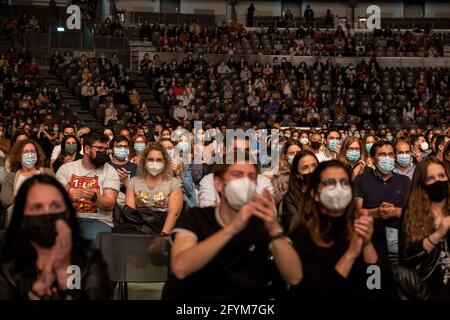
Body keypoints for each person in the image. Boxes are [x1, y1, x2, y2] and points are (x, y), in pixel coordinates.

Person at [162, 155, 302, 299]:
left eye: (251, 177)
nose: (245, 182)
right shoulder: (196, 218)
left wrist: (274, 228)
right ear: (218, 184)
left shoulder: (262, 223)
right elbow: (180, 268)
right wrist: (232, 228)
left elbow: (294, 276)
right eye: (237, 175)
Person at [288, 160, 389, 299]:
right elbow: (317, 293)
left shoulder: (369, 226)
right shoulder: (303, 234)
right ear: (315, 194)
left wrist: (367, 246)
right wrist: (351, 254)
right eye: (330, 183)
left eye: (344, 183)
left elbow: (377, 286)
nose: (338, 189)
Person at [0, 174, 111, 300]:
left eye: (55, 206)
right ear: (22, 216)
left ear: (67, 212)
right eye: (37, 207)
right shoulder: (7, 266)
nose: (47, 213)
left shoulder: (90, 263)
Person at [55, 132, 120, 246]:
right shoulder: (66, 169)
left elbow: (110, 204)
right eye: (99, 148)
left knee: (96, 239)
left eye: (106, 149)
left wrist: (95, 197)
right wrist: (70, 196)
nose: (103, 152)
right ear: (87, 149)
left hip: (97, 221)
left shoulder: (110, 171)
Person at [399, 158, 450, 299]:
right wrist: (439, 233)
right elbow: (406, 257)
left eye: (441, 176)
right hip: (428, 286)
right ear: (422, 184)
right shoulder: (412, 213)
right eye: (431, 178)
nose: (438, 181)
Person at [354, 140, 411, 257]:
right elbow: (355, 212)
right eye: (382, 155)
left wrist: (395, 211)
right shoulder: (361, 180)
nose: (388, 158)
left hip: (398, 238)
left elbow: (413, 212)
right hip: (369, 237)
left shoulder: (404, 181)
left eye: (390, 154)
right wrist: (377, 212)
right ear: (373, 159)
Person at [124, 142, 183, 235]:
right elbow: (130, 214)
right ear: (144, 161)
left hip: (164, 229)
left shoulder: (174, 183)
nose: (154, 163)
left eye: (159, 160)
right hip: (138, 229)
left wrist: (162, 236)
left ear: (165, 162)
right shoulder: (133, 182)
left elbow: (173, 214)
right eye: (150, 159)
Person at [0, 139, 53, 225]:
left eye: (32, 151)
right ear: (19, 156)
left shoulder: (47, 173)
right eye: (26, 152)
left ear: (37, 154)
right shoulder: (11, 176)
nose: (30, 154)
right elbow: (5, 199)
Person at [280, 150, 318, 230]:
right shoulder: (290, 198)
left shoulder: (326, 191)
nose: (311, 170)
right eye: (305, 167)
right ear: (297, 173)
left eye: (314, 166)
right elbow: (294, 227)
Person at [108, 136, 137, 207]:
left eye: (125, 147)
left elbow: (138, 194)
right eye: (118, 146)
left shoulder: (135, 168)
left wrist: (126, 181)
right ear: (111, 150)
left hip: (128, 205)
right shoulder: (105, 166)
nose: (122, 149)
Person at [272, 140, 302, 206]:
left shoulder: (311, 172)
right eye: (291, 153)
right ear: (286, 156)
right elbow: (275, 200)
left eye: (298, 153)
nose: (296, 156)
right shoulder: (278, 176)